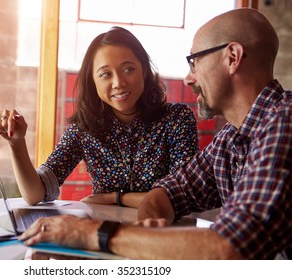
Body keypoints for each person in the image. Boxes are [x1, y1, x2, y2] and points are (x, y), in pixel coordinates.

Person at [18, 8, 291, 259]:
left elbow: (230, 247)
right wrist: (145, 235)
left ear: (232, 57)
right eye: (104, 74)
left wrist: (91, 233)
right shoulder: (230, 139)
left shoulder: (285, 121)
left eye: (194, 62)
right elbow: (170, 193)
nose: (188, 78)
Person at [0, 26, 199, 208]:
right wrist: (16, 143)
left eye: (128, 69)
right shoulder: (84, 130)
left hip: (163, 238)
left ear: (144, 70)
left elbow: (183, 195)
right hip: (103, 238)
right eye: (105, 74)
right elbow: (36, 194)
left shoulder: (177, 119)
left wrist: (114, 198)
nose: (118, 82)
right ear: (93, 81)